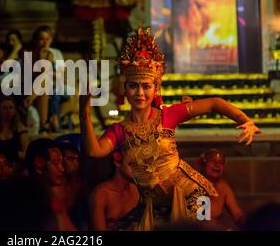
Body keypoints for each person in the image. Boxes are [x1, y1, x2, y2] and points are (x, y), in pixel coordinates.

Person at [79, 27, 261, 230]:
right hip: (154, 205)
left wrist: (245, 120)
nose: (140, 92)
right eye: (133, 86)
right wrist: (84, 111)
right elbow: (94, 151)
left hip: (190, 196)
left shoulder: (167, 115)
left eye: (146, 86)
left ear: (155, 88)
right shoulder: (120, 130)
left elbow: (214, 103)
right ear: (125, 89)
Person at [89, 150, 140, 231]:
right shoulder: (101, 194)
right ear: (117, 161)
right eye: (132, 163)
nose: (138, 167)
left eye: (139, 162)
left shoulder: (138, 190)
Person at [197, 149, 245, 229]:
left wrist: (251, 225)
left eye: (221, 163)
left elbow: (237, 214)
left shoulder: (223, 187)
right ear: (203, 164)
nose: (217, 165)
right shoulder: (193, 185)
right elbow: (203, 220)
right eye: (213, 161)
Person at [0, 96, 29, 161]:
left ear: (15, 110)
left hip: (16, 165)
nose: (8, 111)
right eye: (5, 108)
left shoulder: (20, 128)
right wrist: (16, 154)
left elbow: (27, 153)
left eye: (11, 108)